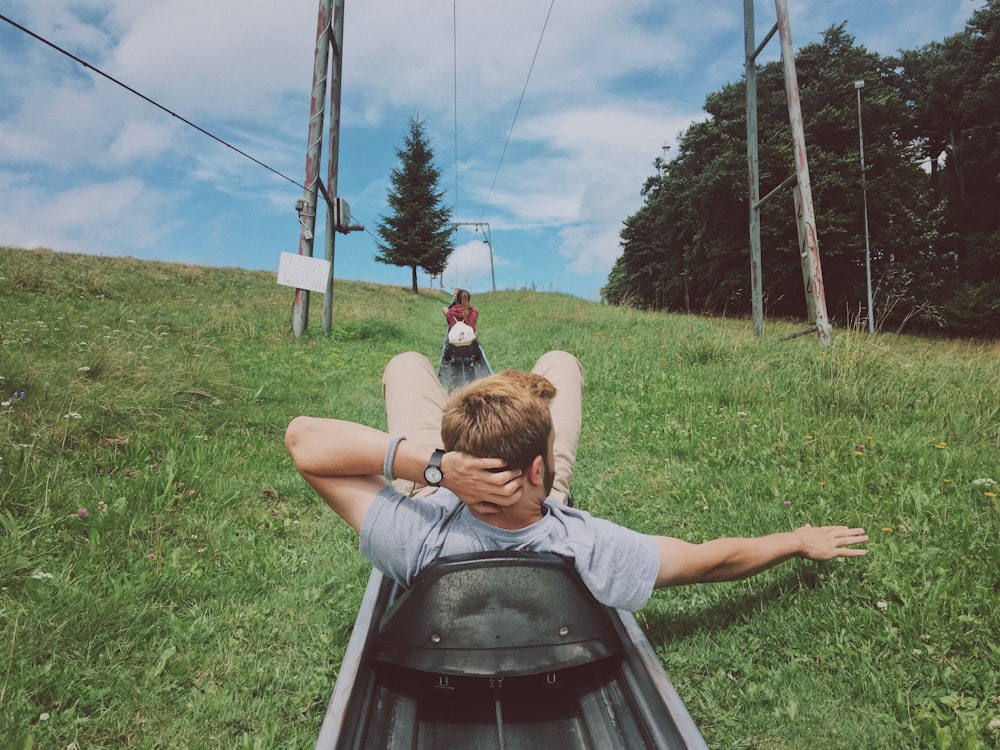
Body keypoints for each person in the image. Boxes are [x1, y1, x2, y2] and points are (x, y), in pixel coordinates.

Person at [285, 351, 868, 611]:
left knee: (407, 363)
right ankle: (527, 403)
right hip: (525, 500)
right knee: (560, 361)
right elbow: (711, 562)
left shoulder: (413, 537)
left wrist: (437, 469)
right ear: (541, 469)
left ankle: (489, 420)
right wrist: (797, 539)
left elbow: (304, 441)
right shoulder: (588, 546)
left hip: (433, 484)